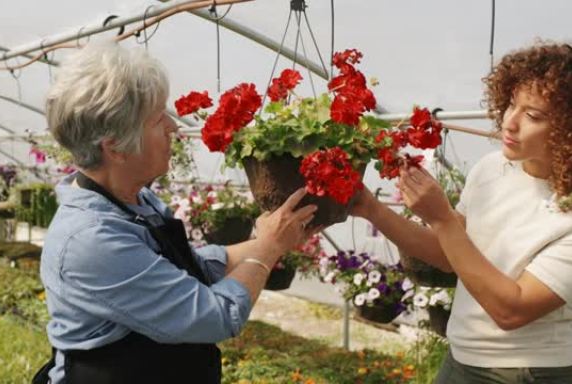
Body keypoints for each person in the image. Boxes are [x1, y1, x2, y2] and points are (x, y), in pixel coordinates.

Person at [33, 41, 318, 384]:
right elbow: (216, 316)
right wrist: (269, 249)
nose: (173, 127)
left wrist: (272, 236)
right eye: (157, 120)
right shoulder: (91, 239)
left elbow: (191, 268)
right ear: (115, 147)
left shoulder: (133, 202)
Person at [352, 42, 572, 383]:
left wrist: (440, 217)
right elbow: (449, 254)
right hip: (461, 359)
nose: (510, 123)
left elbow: (511, 310)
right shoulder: (492, 169)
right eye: (512, 104)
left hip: (530, 372)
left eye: (533, 115)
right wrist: (370, 208)